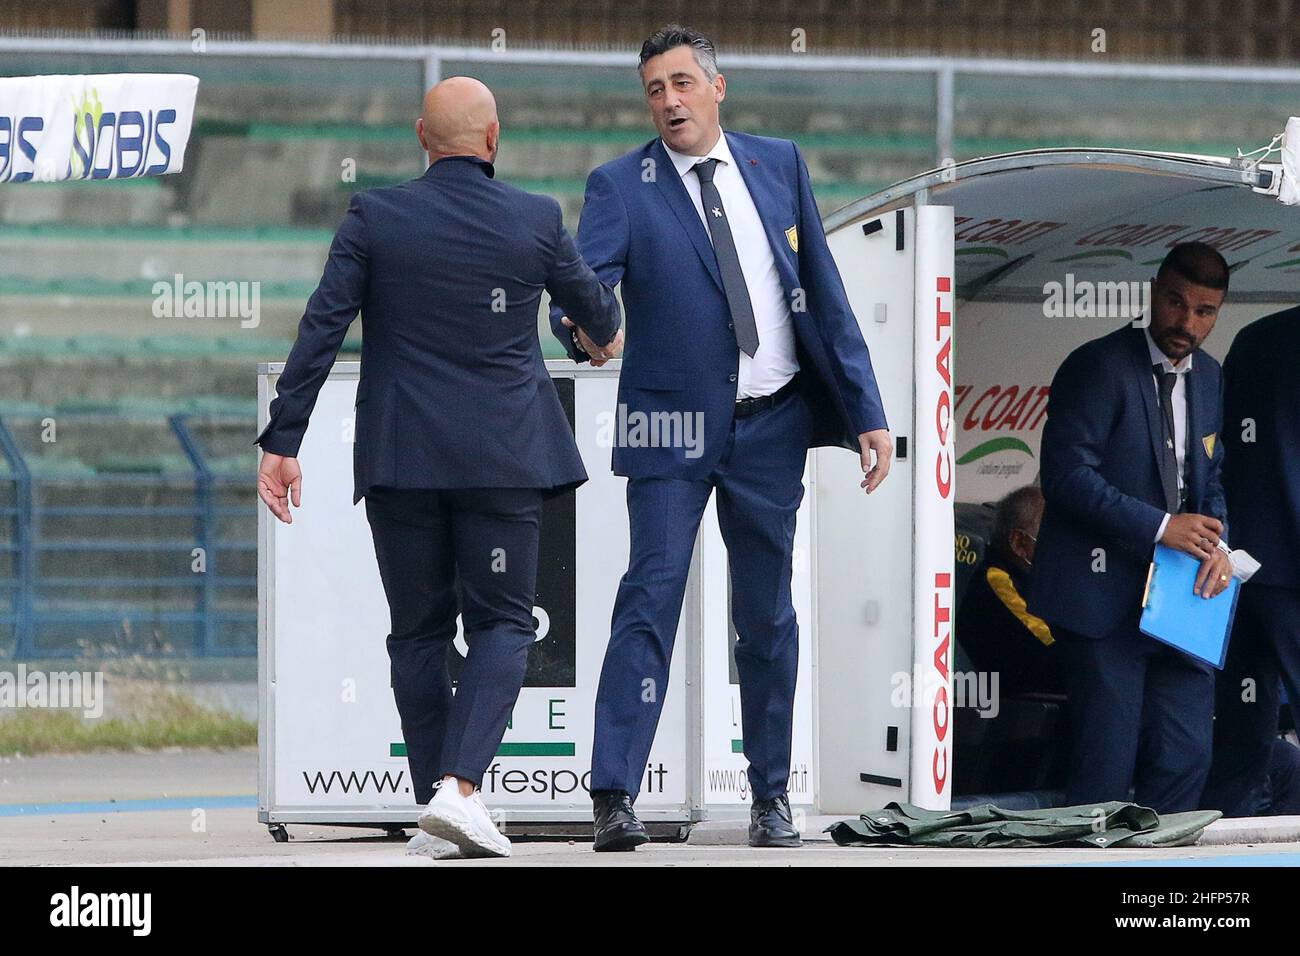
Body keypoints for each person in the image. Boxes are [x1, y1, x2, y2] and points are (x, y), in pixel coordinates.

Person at [254, 77, 621, 859]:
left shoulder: (376, 217)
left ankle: (438, 804)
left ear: (423, 137)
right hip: (503, 459)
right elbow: (600, 315)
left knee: (416, 633)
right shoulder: (534, 218)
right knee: (503, 624)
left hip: (403, 459)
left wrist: (282, 440)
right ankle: (458, 793)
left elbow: (322, 327)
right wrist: (588, 331)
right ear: (494, 140)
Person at [551, 24, 892, 851]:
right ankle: (614, 796)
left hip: (771, 424)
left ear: (716, 86)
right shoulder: (620, 186)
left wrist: (868, 410)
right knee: (651, 596)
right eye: (654, 90)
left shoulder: (779, 164)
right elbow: (584, 284)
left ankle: (771, 800)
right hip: (667, 422)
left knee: (766, 617)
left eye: (680, 84)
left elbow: (826, 295)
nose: (668, 101)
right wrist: (579, 326)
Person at [1027, 241, 1233, 813]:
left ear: (1218, 313)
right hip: (1102, 603)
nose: (1186, 322)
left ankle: (1160, 886)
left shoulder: (1212, 377)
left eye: (1203, 311)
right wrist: (1161, 525)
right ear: (1152, 292)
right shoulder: (1097, 365)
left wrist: (1220, 545)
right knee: (1105, 771)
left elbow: (1211, 480)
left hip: (1182, 605)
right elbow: (1066, 476)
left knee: (1186, 757)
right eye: (1175, 302)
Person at [1203, 306, 1300, 817]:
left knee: (1241, 732)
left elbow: (1217, 454)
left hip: (1237, 570)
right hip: (1271, 573)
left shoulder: (1255, 337)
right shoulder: (1262, 339)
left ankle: (1225, 848)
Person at [957, 486, 1064, 697]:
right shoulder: (997, 580)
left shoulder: (1041, 581)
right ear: (1019, 543)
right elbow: (1049, 646)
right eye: (1054, 536)